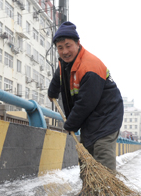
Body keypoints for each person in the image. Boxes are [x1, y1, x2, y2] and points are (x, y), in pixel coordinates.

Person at [48, 21, 124, 172]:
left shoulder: (90, 67)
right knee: (86, 152)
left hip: (107, 115)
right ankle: (88, 192)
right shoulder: (66, 62)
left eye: (68, 45)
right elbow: (60, 75)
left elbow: (86, 103)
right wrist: (52, 91)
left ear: (78, 44)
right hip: (91, 117)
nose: (64, 51)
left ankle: (106, 192)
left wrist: (70, 124)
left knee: (101, 152)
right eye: (60, 48)